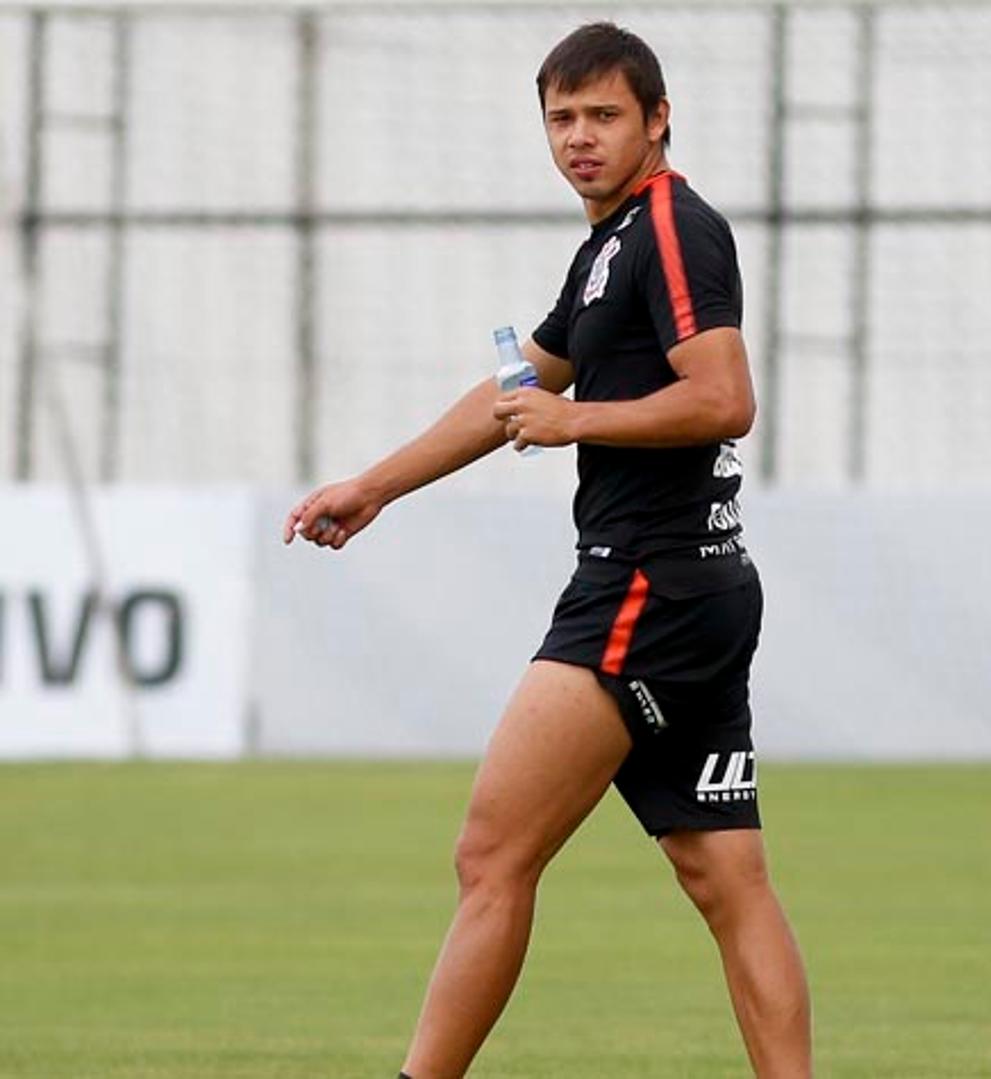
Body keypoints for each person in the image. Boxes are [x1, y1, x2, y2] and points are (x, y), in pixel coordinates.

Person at [281, 23, 811, 1079]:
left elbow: (725, 398)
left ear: (658, 121)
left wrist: (580, 423)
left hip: (645, 583)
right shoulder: (610, 245)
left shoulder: (672, 231)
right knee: (726, 878)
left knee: (491, 852)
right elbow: (515, 394)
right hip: (697, 584)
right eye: (562, 118)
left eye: (604, 115)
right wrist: (375, 486)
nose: (580, 137)